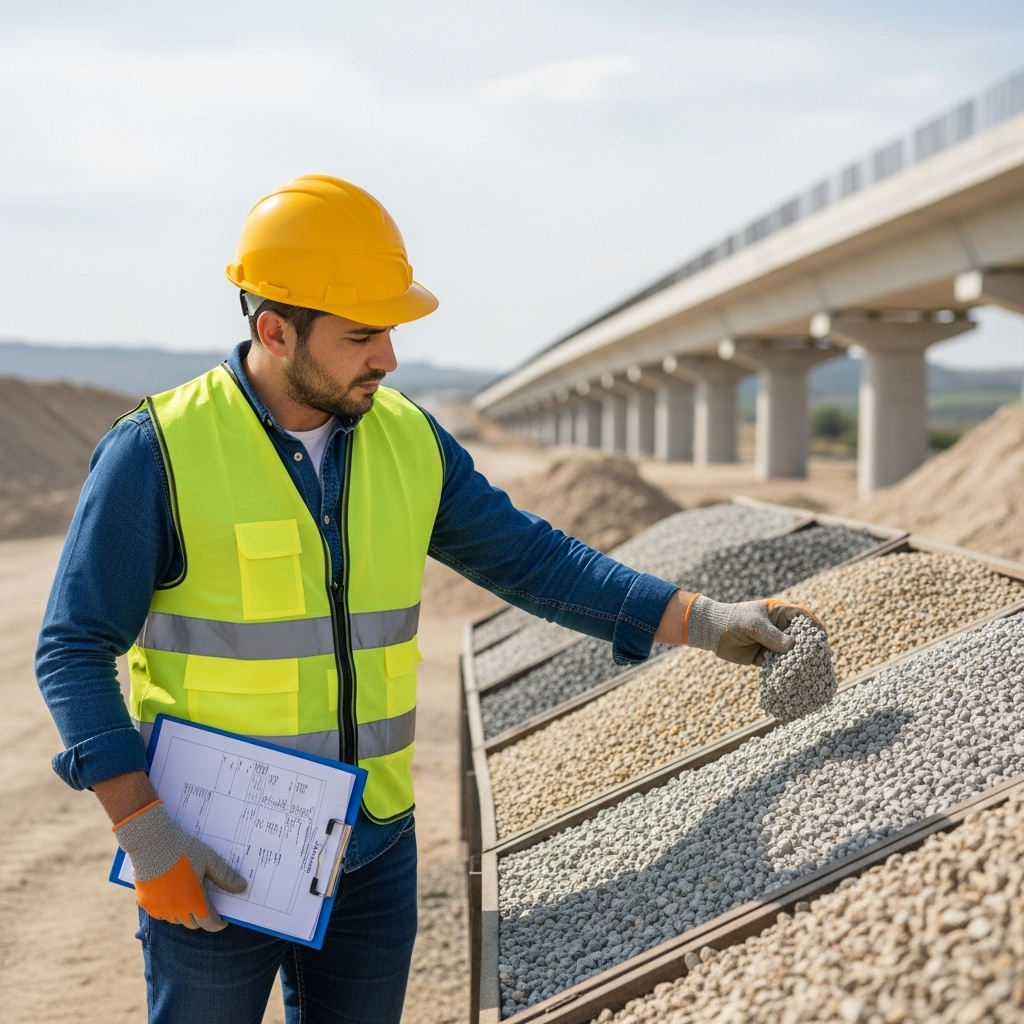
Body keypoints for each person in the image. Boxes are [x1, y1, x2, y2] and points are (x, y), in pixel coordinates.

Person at [36, 175, 817, 1024]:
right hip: (216, 849)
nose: (389, 358)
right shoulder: (158, 450)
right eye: (363, 335)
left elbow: (537, 563)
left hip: (374, 846)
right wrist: (147, 834)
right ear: (274, 330)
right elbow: (72, 649)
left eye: (392, 332)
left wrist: (705, 621)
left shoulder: (409, 438)